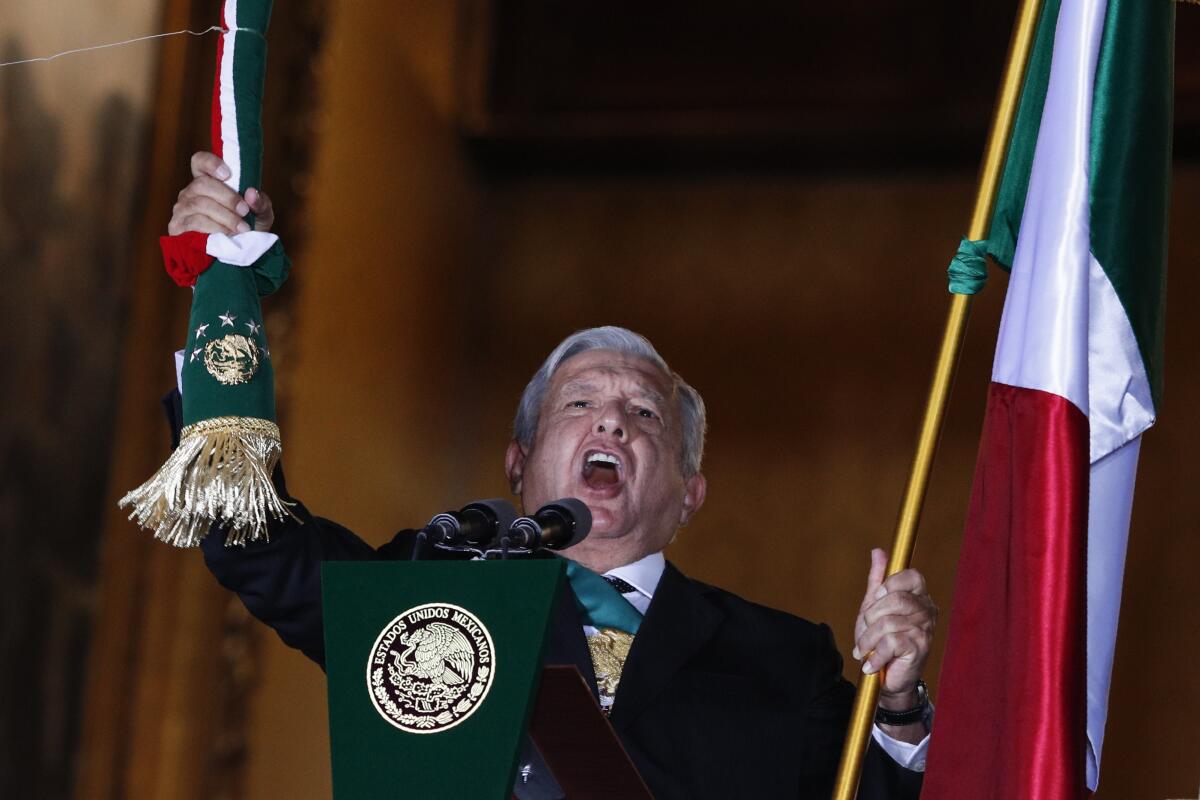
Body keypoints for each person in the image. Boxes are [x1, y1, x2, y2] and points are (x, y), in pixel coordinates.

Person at [171, 152, 938, 799]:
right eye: (580, 403)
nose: (610, 423)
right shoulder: (427, 585)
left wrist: (898, 704)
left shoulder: (783, 657)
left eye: (644, 415)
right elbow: (256, 540)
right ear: (517, 463)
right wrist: (222, 298)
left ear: (690, 493)